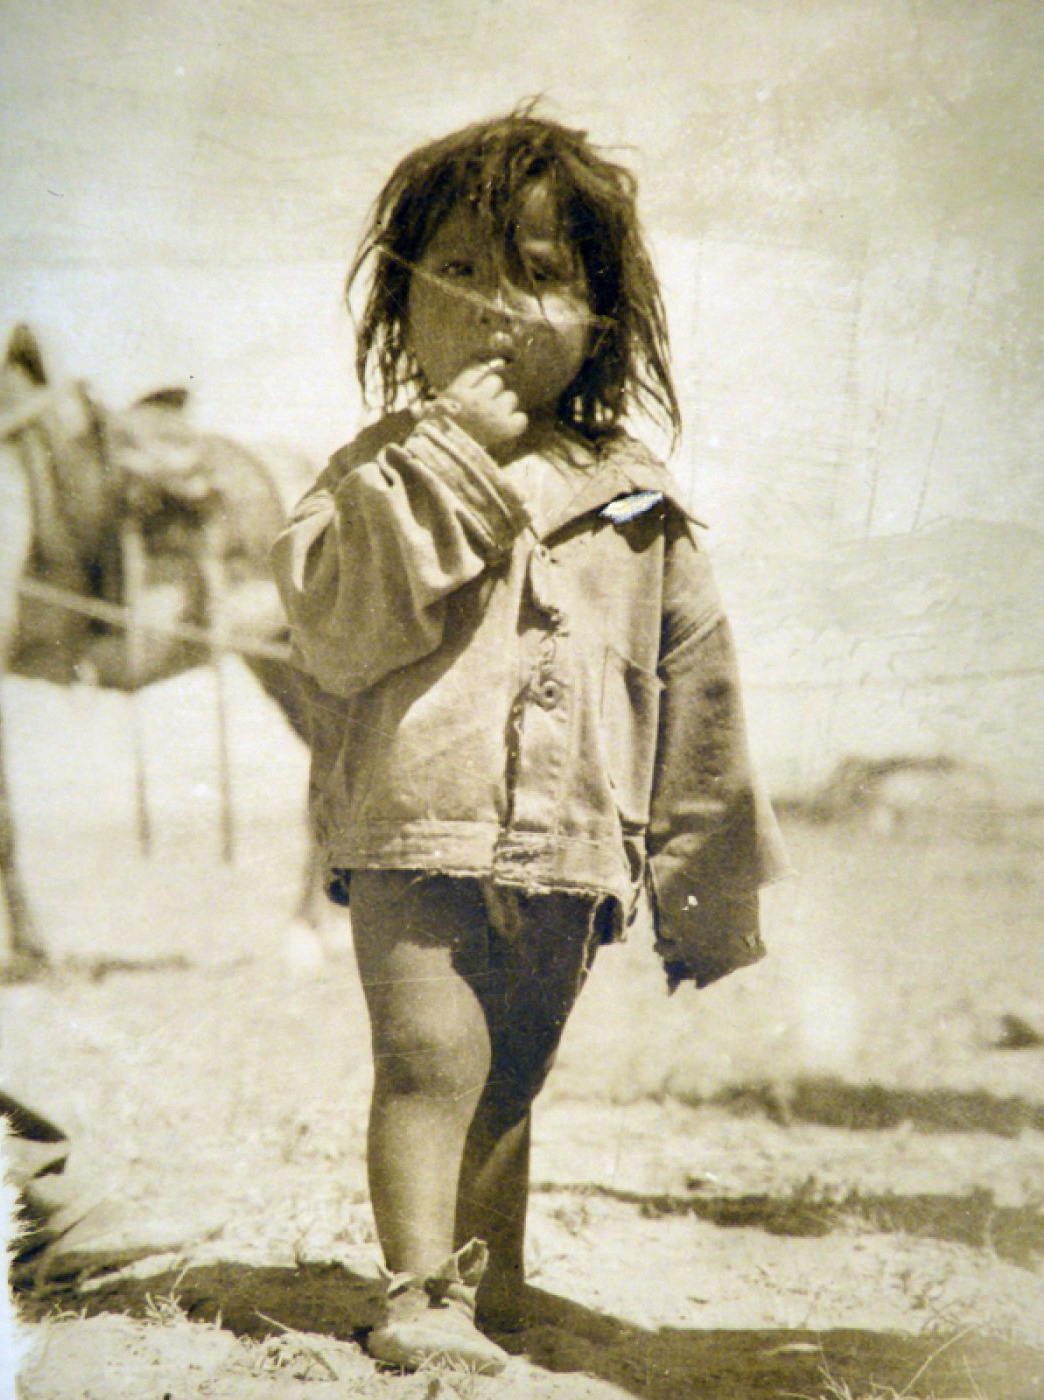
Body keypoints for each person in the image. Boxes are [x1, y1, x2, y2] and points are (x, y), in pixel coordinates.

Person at [272, 107, 786, 1374]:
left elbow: (697, 694)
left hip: (573, 845)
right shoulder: (382, 467)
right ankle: (412, 1291)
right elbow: (329, 625)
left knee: (512, 1073)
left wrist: (703, 884)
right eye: (462, 270)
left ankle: (485, 1288)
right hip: (418, 823)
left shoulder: (639, 499)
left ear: (601, 315)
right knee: (431, 1056)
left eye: (542, 274)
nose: (499, 307)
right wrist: (452, 455)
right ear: (402, 299)